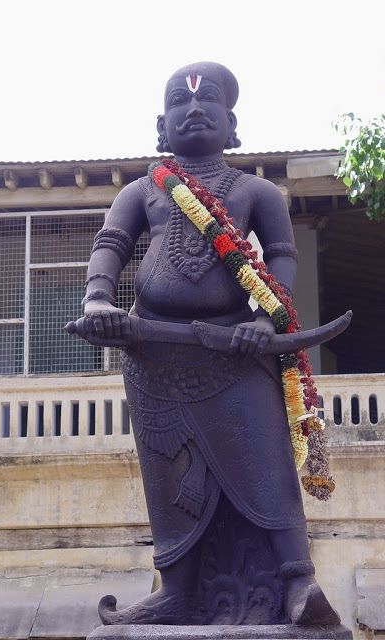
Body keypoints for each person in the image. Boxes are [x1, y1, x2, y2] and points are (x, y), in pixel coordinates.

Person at [82, 62, 340, 626]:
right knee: (169, 477)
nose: (193, 109)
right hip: (154, 357)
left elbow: (281, 255)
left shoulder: (255, 191)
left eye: (208, 103)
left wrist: (268, 323)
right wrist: (99, 301)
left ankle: (298, 580)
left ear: (232, 122)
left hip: (234, 351)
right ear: (162, 123)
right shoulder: (142, 191)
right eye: (179, 102)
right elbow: (111, 243)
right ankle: (176, 589)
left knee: (265, 462)